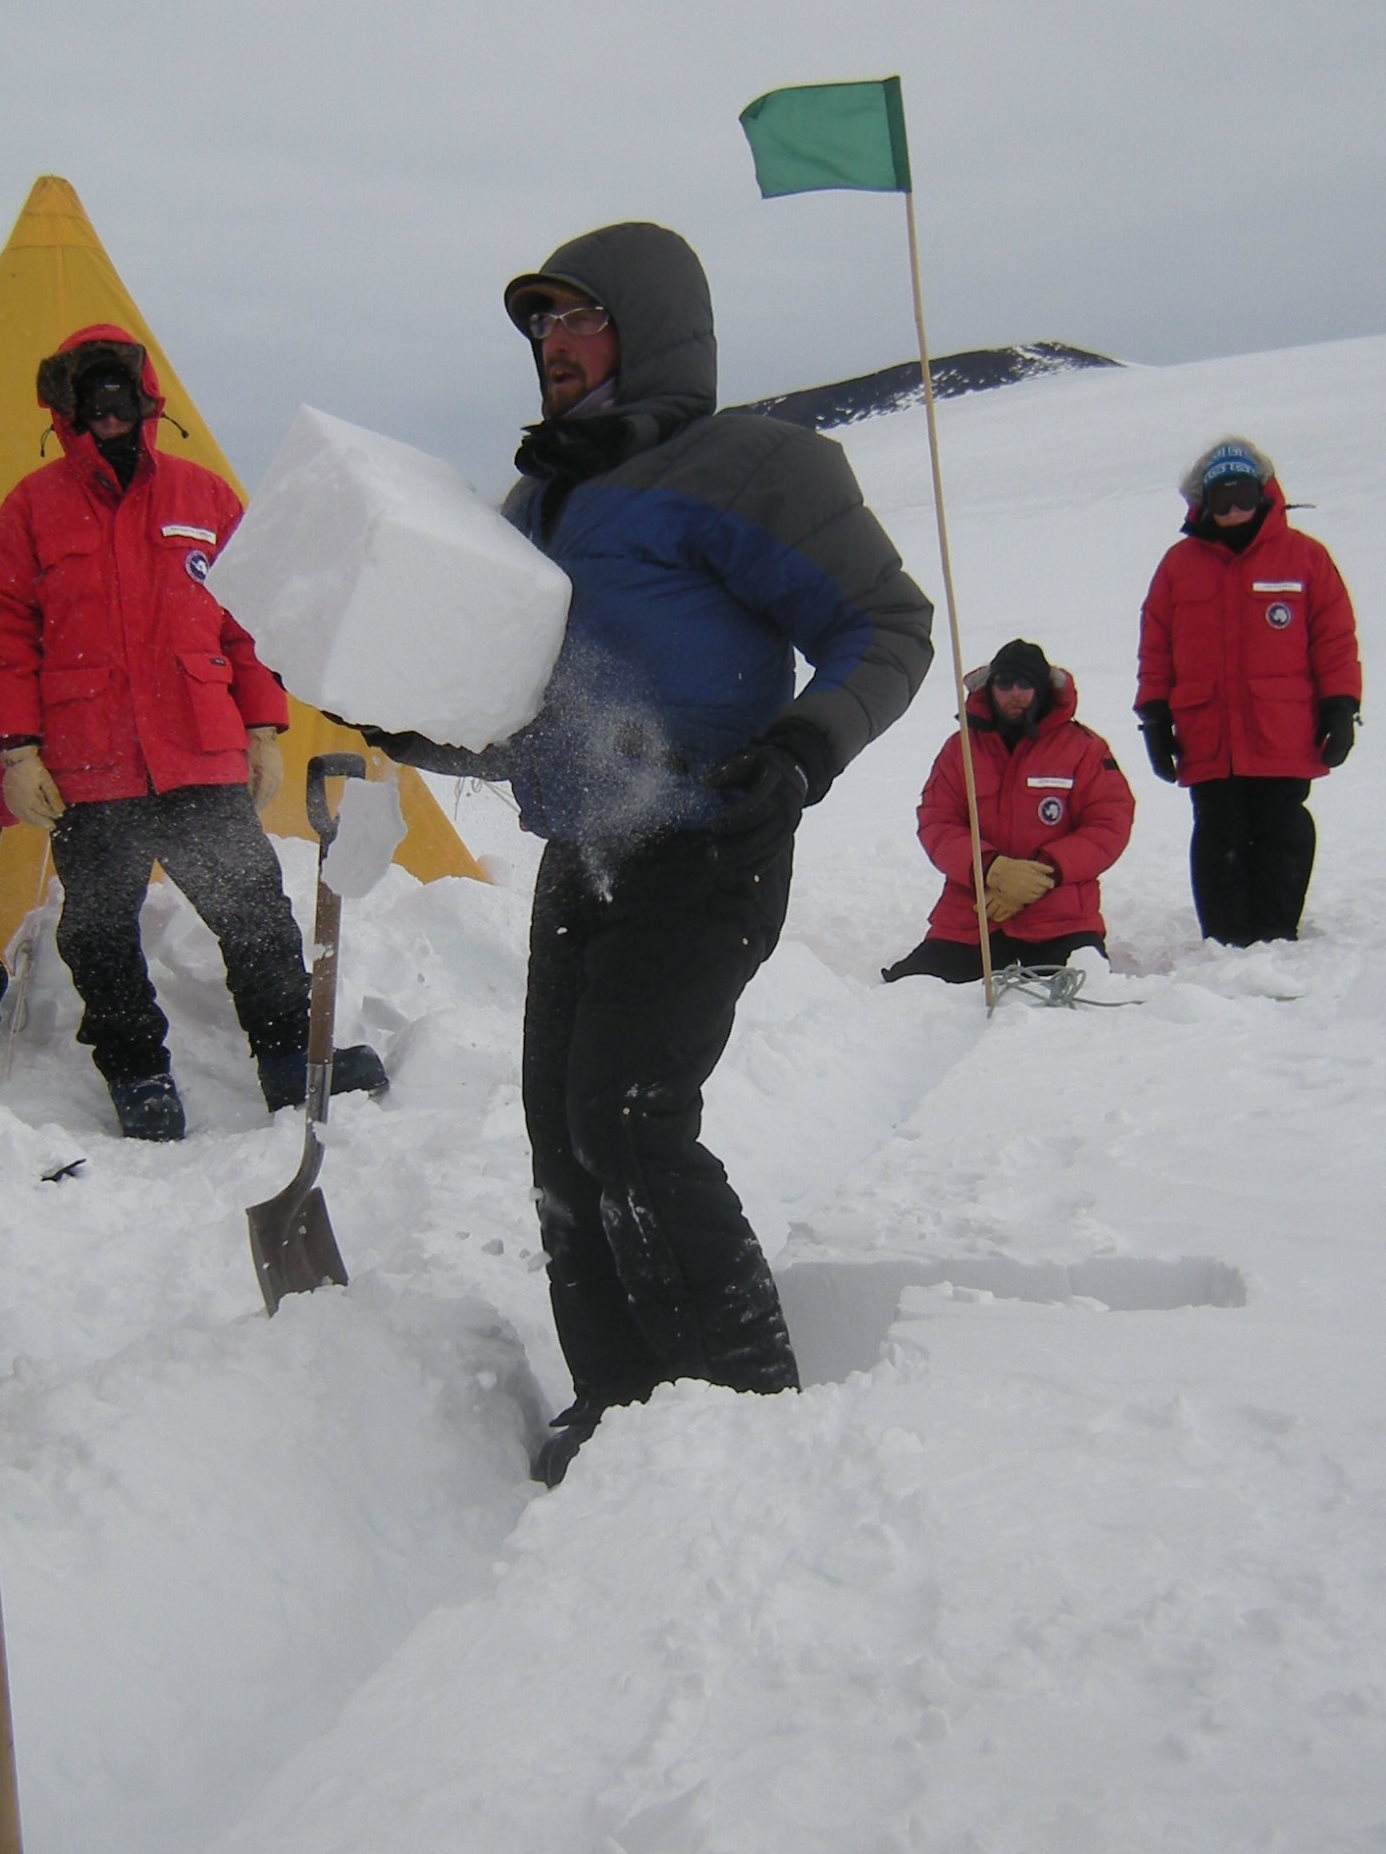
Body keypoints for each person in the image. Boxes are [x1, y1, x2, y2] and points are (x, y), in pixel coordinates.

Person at [359, 221, 934, 1483]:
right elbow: (519, 720)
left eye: (576, 319)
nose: (551, 347)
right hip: (586, 851)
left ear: (649, 324)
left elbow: (886, 625)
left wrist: (798, 753)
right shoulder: (538, 504)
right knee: (562, 1136)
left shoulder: (751, 466)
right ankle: (619, 1404)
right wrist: (414, 726)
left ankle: (741, 1414)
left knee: (629, 1118)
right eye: (537, 327)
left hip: (709, 840)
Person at [0, 325, 385, 1140]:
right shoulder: (31, 509)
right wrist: (18, 747)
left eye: (119, 391)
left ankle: (290, 1063)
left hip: (198, 751)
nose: (106, 409)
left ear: (145, 398)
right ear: (65, 408)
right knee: (99, 931)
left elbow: (248, 626)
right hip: (89, 766)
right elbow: (8, 635)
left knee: (253, 913)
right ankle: (139, 1076)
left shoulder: (205, 498)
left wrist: (261, 728)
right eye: (87, 395)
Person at [1135, 438, 1362, 946]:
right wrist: (1153, 717)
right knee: (1219, 834)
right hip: (1207, 733)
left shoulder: (1305, 558)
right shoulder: (1178, 566)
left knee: (1282, 831)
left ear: (1263, 495)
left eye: (1242, 496)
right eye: (1222, 500)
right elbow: (1156, 647)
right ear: (1204, 503)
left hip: (1282, 731)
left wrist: (1341, 706)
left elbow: (1335, 640)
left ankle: (1276, 933)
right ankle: (1225, 940)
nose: (1233, 510)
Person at [883, 639, 1135, 984]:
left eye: (1025, 685)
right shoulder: (961, 750)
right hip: (974, 918)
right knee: (909, 989)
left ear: (1042, 690)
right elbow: (936, 820)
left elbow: (1109, 823)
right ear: (991, 688)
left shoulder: (1085, 750)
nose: (1014, 693)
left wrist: (1046, 872)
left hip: (1060, 921)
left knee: (1079, 994)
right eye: (1005, 684)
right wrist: (990, 869)